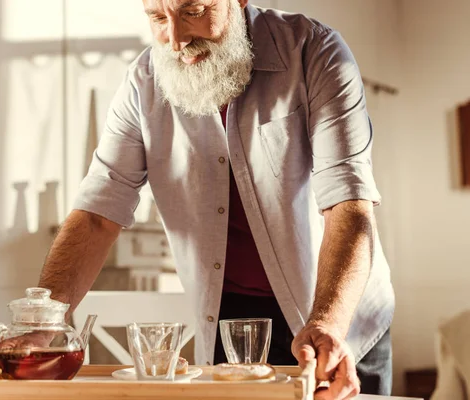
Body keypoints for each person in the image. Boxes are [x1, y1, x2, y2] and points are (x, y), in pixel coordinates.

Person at [36, 1, 395, 399]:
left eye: (193, 10)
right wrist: (42, 320)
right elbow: (97, 215)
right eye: (158, 18)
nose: (176, 39)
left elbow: (347, 204)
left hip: (335, 317)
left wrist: (328, 324)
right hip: (233, 324)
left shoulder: (316, 51)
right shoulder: (142, 82)